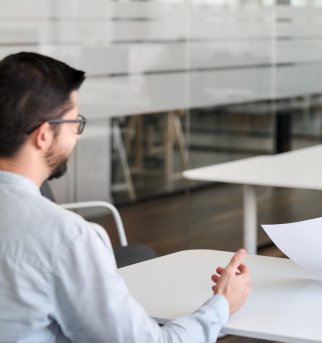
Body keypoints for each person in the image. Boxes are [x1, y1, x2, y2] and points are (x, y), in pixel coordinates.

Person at [0, 51, 250, 342]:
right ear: (43, 135)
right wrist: (222, 304)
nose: (77, 136)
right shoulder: (64, 237)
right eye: (74, 123)